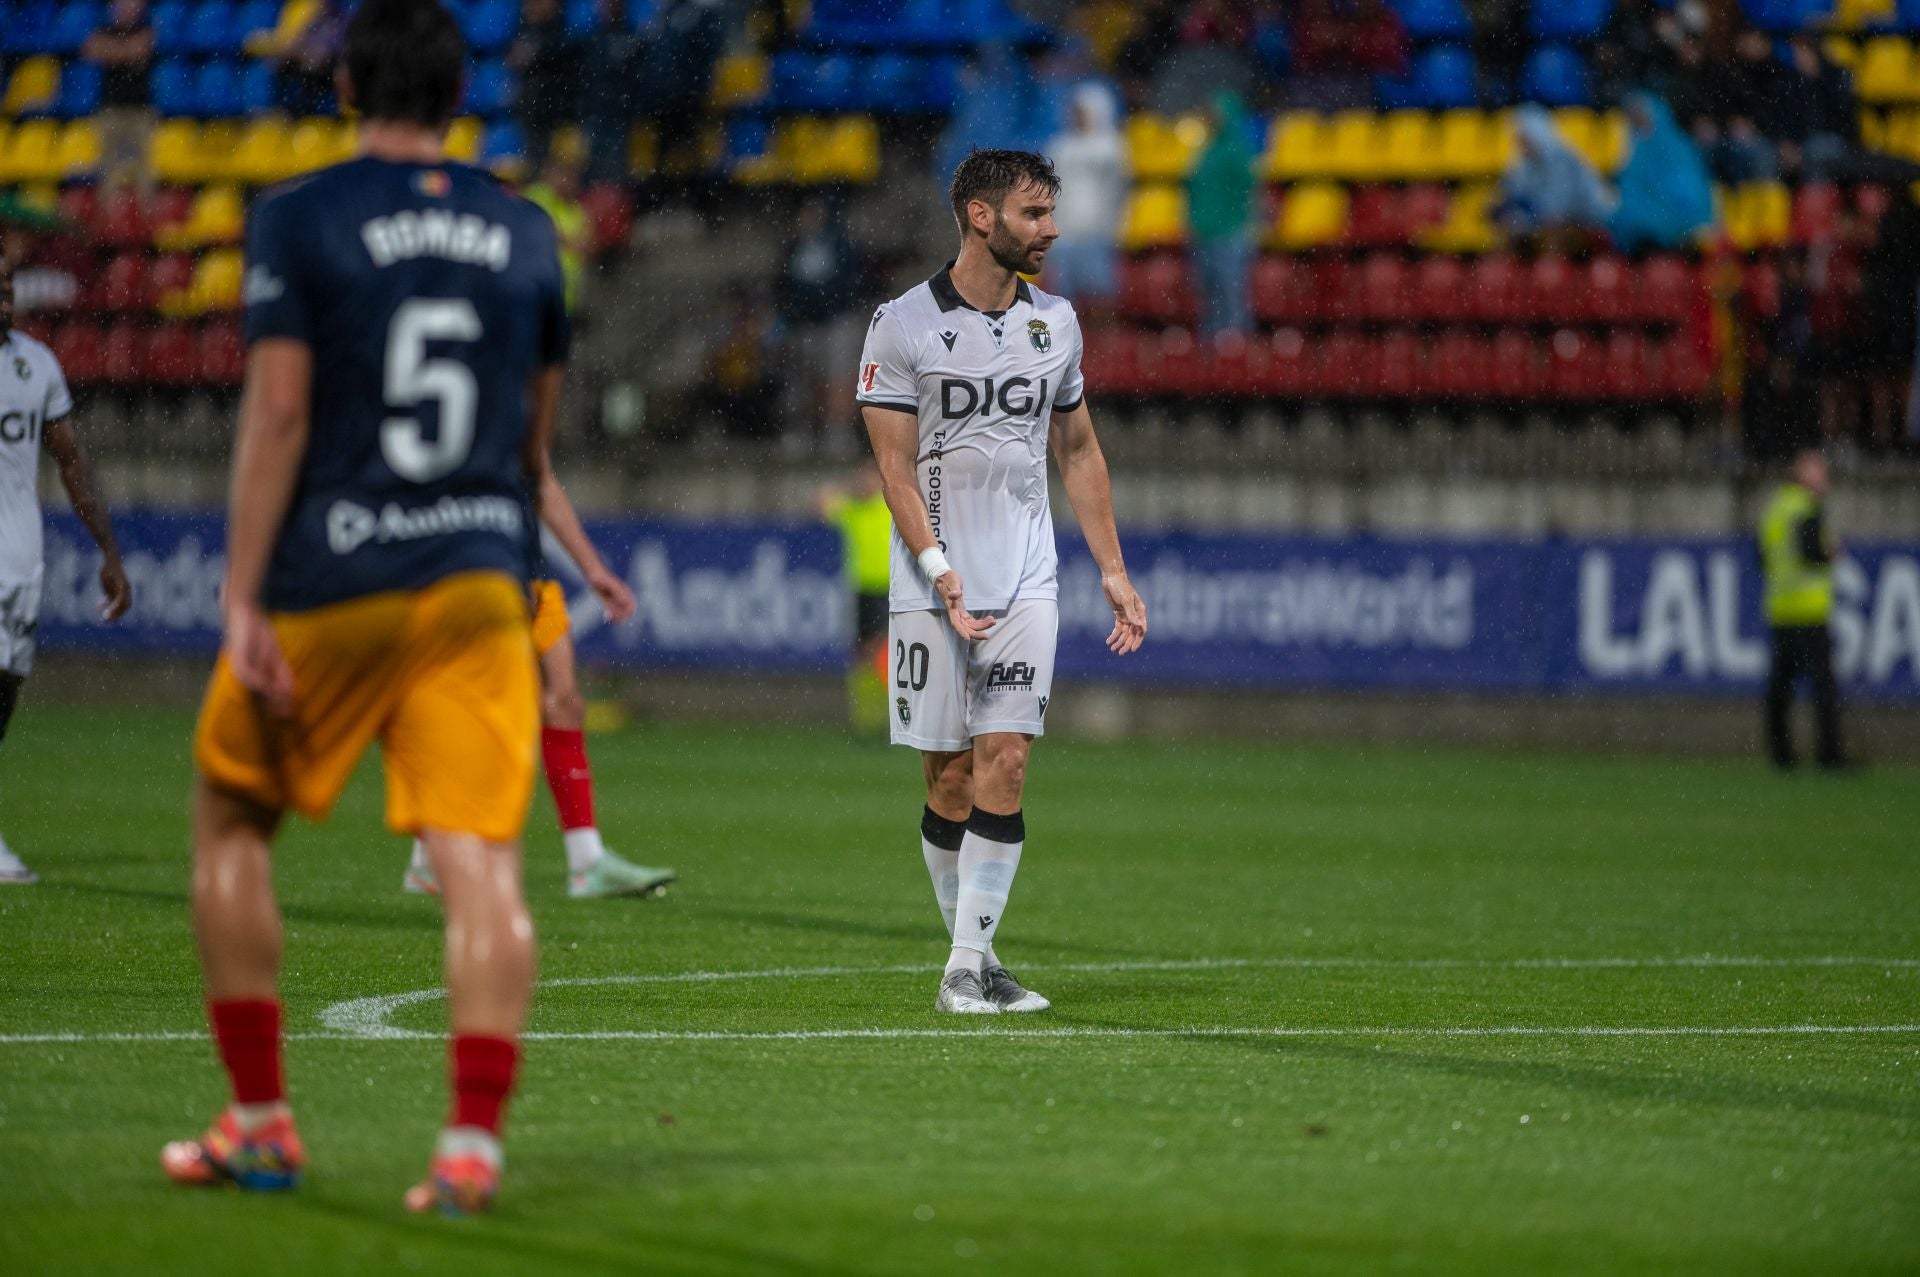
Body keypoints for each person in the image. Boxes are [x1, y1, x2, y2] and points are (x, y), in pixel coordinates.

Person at [165, 0, 565, 1214]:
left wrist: (242, 592)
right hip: (475, 580)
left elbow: (280, 413)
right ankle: (470, 1147)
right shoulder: (529, 232)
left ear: (347, 90)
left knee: (230, 826)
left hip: (334, 576)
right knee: (480, 864)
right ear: (460, 97)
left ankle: (261, 1121)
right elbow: (530, 441)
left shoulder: (298, 217)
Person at [856, 149, 1148, 1015]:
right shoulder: (901, 324)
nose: (1051, 229)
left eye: (1050, 212)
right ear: (981, 218)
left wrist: (1113, 568)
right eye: (1032, 213)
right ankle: (976, 959)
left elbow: (1080, 448)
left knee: (1007, 761)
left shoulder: (1055, 322)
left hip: (1028, 577)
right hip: (929, 582)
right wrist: (940, 572)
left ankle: (964, 965)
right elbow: (895, 469)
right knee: (948, 780)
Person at [402, 470, 676, 900]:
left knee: (565, 702)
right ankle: (428, 856)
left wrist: (593, 571)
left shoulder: (519, 408)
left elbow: (542, 482)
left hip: (531, 574)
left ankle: (587, 861)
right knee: (473, 711)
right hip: (476, 572)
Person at [0, 259, 133, 885]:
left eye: (7, 285)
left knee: (6, 692)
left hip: (18, 558)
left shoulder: (37, 365)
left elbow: (72, 462)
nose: (5, 295)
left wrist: (107, 552)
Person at [1758, 449, 1848, 771]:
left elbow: (1762, 557)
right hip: (1809, 610)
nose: (1824, 478)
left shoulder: (1776, 506)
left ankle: (1781, 755)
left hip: (1781, 609)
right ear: (1802, 474)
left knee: (1780, 687)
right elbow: (1810, 551)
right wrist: (1831, 552)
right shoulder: (1806, 508)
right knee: (1823, 686)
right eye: (1818, 472)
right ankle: (1830, 755)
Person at [817, 462, 893, 738]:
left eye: (871, 479)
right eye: (863, 479)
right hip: (861, 589)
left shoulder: (890, 507)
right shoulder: (854, 511)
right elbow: (822, 503)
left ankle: (891, 713)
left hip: (885, 588)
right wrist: (848, 489)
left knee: (879, 650)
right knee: (862, 654)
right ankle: (867, 719)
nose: (866, 484)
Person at [1043, 82, 1127, 313]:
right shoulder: (1060, 147)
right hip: (1063, 235)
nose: (1077, 117)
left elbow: (1118, 191)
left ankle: (1106, 346)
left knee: (1100, 295)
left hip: (1097, 234)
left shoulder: (1112, 147)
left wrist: (1115, 225)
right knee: (1061, 300)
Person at [1607, 93, 1715, 253]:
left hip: (1677, 238)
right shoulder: (1633, 152)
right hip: (1641, 242)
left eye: (1642, 119)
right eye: (1634, 121)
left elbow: (1692, 197)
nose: (1639, 126)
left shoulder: (1677, 149)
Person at [1188, 91, 1256, 338]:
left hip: (1230, 231)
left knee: (1231, 291)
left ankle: (1235, 342)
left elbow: (1248, 189)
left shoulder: (1236, 149)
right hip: (1205, 232)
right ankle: (1214, 342)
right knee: (1210, 292)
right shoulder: (1208, 150)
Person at [1496, 107, 1614, 244]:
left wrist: (1527, 215)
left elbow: (1557, 207)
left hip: (1586, 219)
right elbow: (1513, 190)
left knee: (1545, 226)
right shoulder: (1525, 164)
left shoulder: (1561, 159)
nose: (1522, 145)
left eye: (1524, 139)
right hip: (1556, 218)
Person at [83, 0, 156, 194]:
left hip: (140, 109)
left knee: (145, 168)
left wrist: (111, 51)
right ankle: (107, 216)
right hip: (110, 109)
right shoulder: (103, 28)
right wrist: (126, 51)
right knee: (106, 166)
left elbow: (140, 49)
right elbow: (91, 50)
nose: (129, 8)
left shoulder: (146, 27)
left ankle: (146, 216)